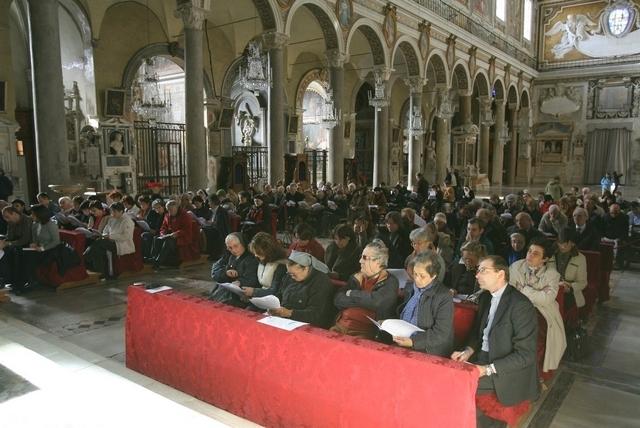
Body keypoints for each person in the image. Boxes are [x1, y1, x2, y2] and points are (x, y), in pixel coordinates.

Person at [451, 255, 538, 423]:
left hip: (504, 368)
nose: (477, 275)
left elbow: (526, 355)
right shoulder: (485, 297)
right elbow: (478, 333)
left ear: (500, 274)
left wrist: (486, 369)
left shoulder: (521, 305)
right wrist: (467, 351)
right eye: (478, 270)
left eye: (483, 270)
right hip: (482, 358)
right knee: (445, 373)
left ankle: (490, 424)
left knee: (455, 384)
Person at [510, 238, 566, 373]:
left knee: (537, 333)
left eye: (535, 254)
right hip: (516, 307)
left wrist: (524, 289)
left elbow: (546, 299)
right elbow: (510, 291)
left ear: (545, 259)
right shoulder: (516, 266)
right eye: (529, 251)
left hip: (542, 311)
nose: (529, 255)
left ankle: (533, 373)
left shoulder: (552, 275)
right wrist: (536, 293)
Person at [332, 239, 399, 337]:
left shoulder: (390, 281)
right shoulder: (357, 276)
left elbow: (376, 302)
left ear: (378, 261)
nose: (360, 261)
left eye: (364, 257)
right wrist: (364, 302)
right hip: (340, 326)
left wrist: (351, 293)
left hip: (365, 333)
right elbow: (338, 299)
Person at [394, 251, 454, 357]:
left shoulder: (444, 296)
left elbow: (441, 334)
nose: (417, 279)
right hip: (404, 339)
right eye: (415, 274)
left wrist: (413, 342)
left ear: (434, 276)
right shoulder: (410, 287)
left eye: (422, 276)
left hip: (427, 348)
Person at [268, 251, 335, 328]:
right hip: (284, 319)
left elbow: (315, 314)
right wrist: (272, 304)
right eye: (289, 274)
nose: (291, 277)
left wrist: (289, 313)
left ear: (306, 268)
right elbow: (280, 294)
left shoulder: (321, 282)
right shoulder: (289, 277)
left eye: (294, 274)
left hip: (308, 325)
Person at [11, 204, 61, 294]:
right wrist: (33, 244)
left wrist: (42, 248)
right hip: (38, 249)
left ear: (40, 214)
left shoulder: (51, 225)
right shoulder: (35, 224)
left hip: (49, 250)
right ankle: (19, 282)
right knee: (18, 252)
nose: (31, 216)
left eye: (33, 214)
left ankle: (32, 282)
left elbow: (56, 241)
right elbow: (34, 239)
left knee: (28, 257)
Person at [83, 202, 135, 278]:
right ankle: (100, 271)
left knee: (99, 243)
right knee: (98, 248)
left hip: (121, 243)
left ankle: (85, 258)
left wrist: (110, 236)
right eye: (111, 211)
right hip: (110, 240)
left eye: (115, 212)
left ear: (121, 211)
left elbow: (126, 236)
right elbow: (105, 230)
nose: (112, 214)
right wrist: (104, 235)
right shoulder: (112, 219)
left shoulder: (128, 221)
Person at [210, 232, 260, 306]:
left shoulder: (251, 258)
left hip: (241, 296)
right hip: (226, 291)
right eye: (230, 247)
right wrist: (226, 273)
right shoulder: (228, 255)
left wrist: (240, 282)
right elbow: (214, 272)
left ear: (242, 243)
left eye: (236, 246)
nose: (233, 250)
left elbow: (252, 279)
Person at [549, 228, 587, 314]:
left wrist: (569, 288)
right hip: (551, 288)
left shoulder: (580, 258)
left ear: (573, 243)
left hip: (569, 293)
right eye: (560, 243)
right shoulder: (551, 254)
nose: (562, 246)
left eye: (565, 244)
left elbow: (583, 283)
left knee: (561, 307)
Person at [148, 200, 195, 269]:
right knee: (156, 238)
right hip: (170, 236)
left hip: (181, 238)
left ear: (176, 208)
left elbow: (186, 230)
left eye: (172, 210)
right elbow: (163, 227)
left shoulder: (185, 215)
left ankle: (158, 261)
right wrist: (162, 234)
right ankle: (153, 258)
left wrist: (176, 234)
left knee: (168, 242)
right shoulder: (167, 215)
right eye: (169, 210)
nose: (170, 212)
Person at [241, 232, 288, 300]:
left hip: (273, 300)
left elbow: (275, 291)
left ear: (268, 250)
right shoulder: (261, 260)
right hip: (260, 298)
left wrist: (254, 292)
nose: (256, 255)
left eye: (258, 252)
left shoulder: (281, 266)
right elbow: (257, 283)